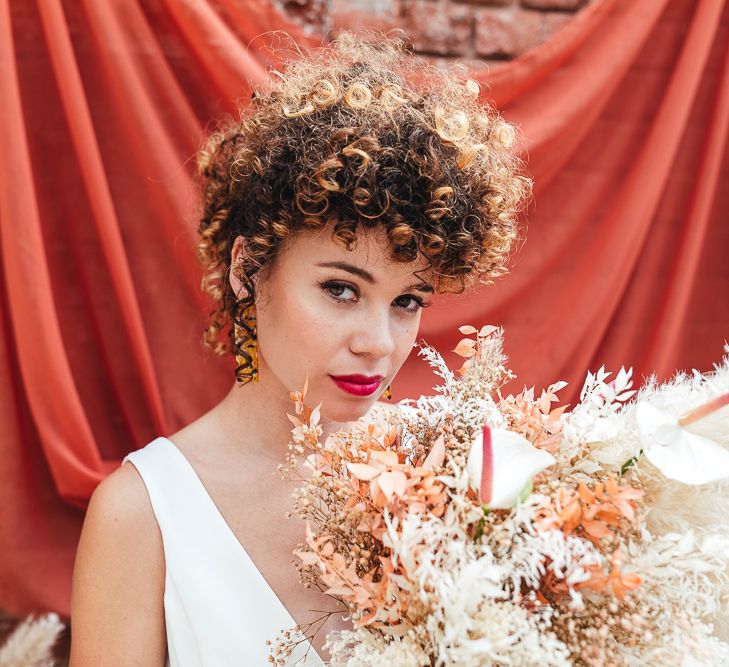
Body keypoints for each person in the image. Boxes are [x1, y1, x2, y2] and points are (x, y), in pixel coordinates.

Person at [68, 31, 530, 666]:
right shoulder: (141, 514)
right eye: (340, 288)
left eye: (407, 302)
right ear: (248, 269)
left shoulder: (452, 469)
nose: (378, 343)